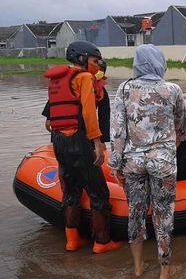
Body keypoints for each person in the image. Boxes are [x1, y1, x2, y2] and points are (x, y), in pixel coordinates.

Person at [109, 44, 186, 278]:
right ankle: (164, 272)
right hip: (163, 162)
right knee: (163, 215)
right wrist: (170, 147)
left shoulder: (124, 89)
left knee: (136, 213)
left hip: (132, 162)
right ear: (160, 62)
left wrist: (115, 163)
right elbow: (181, 127)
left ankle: (138, 268)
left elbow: (117, 130)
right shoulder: (173, 89)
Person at [44, 41, 123, 253]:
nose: (98, 64)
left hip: (59, 141)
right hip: (80, 141)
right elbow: (89, 113)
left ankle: (72, 240)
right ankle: (102, 243)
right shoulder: (85, 78)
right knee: (99, 193)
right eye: (95, 60)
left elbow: (49, 119)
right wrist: (97, 143)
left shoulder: (56, 80)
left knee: (70, 191)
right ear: (82, 59)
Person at [42, 59, 110, 143]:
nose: (99, 71)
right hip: (64, 126)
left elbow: (104, 116)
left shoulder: (100, 90)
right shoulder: (74, 81)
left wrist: (102, 140)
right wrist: (49, 117)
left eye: (101, 70)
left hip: (84, 128)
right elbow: (56, 99)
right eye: (97, 68)